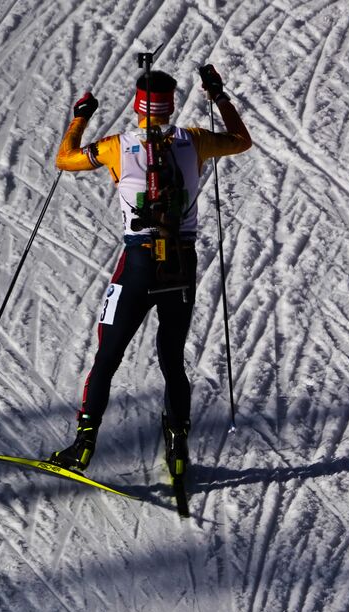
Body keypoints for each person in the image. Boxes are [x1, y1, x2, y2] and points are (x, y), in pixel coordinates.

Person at [47, 66, 251, 478]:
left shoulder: (115, 146)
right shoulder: (194, 140)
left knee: (108, 354)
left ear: (138, 105)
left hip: (138, 262)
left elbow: (64, 160)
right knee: (172, 358)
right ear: (170, 104)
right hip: (181, 262)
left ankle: (83, 445)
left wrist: (80, 117)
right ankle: (177, 449)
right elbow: (241, 141)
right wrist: (219, 96)